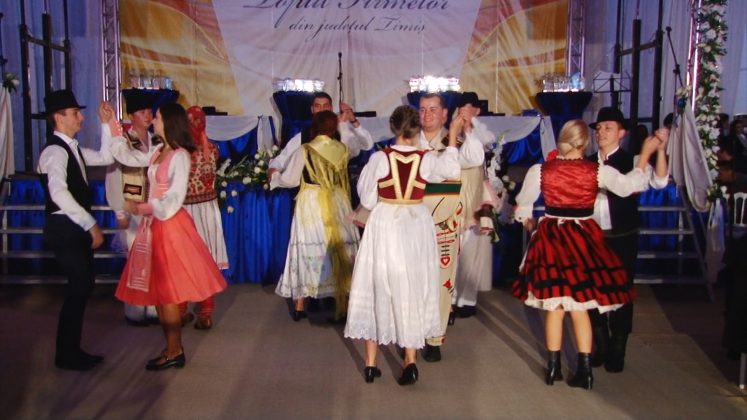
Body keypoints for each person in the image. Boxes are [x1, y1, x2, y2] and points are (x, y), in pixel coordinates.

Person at [513, 119, 668, 390]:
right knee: (580, 306)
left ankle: (553, 368)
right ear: (584, 143)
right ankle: (584, 371)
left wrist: (531, 224)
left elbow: (523, 205)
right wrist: (644, 156)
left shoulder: (541, 170)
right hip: (582, 238)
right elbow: (627, 186)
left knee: (554, 307)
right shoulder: (596, 170)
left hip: (552, 238)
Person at [344, 105, 461, 385]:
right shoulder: (426, 158)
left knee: (377, 284)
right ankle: (410, 361)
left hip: (385, 222)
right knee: (412, 286)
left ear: (393, 128)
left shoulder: (379, 159)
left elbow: (367, 199)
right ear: (416, 128)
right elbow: (451, 169)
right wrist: (452, 138)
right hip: (416, 223)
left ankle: (370, 364)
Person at [114, 103, 227, 370]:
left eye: (157, 117)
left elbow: (174, 199)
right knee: (161, 293)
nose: (153, 120)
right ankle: (172, 348)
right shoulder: (157, 150)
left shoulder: (180, 156)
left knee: (167, 292)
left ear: (169, 122)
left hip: (169, 226)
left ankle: (174, 349)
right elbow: (127, 157)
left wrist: (143, 208)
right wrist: (111, 128)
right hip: (154, 224)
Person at [587, 107, 670, 373]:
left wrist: (659, 150)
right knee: (589, 289)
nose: (601, 132)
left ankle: (618, 347)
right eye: (599, 128)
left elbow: (660, 182)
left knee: (622, 292)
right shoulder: (586, 162)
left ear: (621, 133)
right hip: (592, 237)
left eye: (608, 128)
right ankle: (600, 342)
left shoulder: (633, 160)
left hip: (622, 237)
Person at [37, 89, 106, 371]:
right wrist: (91, 224)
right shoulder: (55, 151)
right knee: (80, 285)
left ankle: (70, 351)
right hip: (64, 227)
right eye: (75, 113)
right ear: (59, 117)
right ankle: (67, 354)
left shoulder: (73, 149)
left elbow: (105, 156)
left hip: (71, 227)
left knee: (82, 285)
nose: (81, 117)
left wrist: (106, 125)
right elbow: (59, 193)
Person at [270, 110, 360, 321]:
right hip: (338, 200)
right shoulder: (343, 149)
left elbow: (291, 180)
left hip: (311, 201)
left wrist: (275, 177)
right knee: (339, 245)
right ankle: (343, 299)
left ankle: (300, 303)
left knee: (308, 246)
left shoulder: (306, 149)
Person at [417, 92, 484, 362]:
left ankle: (434, 336)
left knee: (441, 280)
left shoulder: (454, 140)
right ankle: (412, 332)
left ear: (445, 114)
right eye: (423, 109)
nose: (427, 114)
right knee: (413, 278)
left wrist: (466, 128)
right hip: (413, 220)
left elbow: (475, 158)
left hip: (444, 221)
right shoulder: (409, 141)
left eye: (433, 109)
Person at [177, 106, 229, 330]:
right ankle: (206, 312)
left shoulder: (179, 150)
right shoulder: (213, 149)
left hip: (185, 211)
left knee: (182, 262)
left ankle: (181, 310)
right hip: (207, 210)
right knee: (206, 261)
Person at [451, 92, 499, 319]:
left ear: (477, 111)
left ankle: (467, 299)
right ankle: (451, 298)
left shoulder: (481, 131)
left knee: (473, 248)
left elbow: (486, 145)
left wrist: (470, 126)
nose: (464, 113)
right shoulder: (450, 131)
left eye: (469, 108)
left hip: (476, 192)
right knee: (453, 247)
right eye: (461, 108)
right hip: (455, 191)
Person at [268, 92, 374, 177]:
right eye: (318, 106)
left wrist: (353, 120)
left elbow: (367, 145)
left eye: (325, 106)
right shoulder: (304, 135)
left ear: (331, 109)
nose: (322, 110)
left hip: (339, 191)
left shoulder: (343, 130)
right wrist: (273, 168)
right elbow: (285, 156)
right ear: (312, 109)